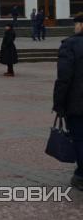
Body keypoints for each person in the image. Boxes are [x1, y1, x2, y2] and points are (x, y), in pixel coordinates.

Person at [53, 12, 83, 191]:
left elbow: (64, 78)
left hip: (77, 103)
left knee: (79, 138)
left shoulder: (70, 44)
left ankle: (81, 174)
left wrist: (58, 104)